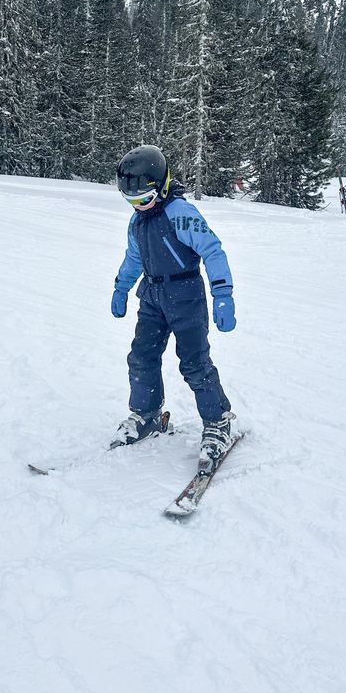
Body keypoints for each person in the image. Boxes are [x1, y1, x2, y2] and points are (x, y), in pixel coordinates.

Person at [110, 144, 237, 473]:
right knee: (142, 356)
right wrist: (121, 287)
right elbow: (134, 257)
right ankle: (147, 414)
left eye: (144, 199)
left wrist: (222, 293)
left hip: (185, 296)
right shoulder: (137, 222)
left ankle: (218, 421)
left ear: (163, 186)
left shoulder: (181, 213)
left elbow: (212, 250)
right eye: (131, 201)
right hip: (152, 295)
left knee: (194, 362)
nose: (138, 207)